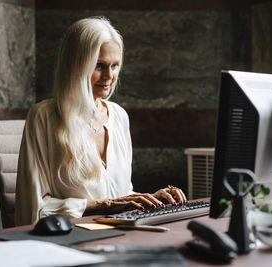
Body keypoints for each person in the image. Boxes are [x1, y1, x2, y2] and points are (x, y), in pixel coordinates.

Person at [15, 16, 186, 226]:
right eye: (99, 66)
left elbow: (119, 195)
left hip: (121, 235)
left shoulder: (119, 116)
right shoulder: (44, 117)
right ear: (76, 66)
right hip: (71, 238)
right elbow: (34, 209)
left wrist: (150, 198)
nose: (109, 75)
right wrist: (104, 205)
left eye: (115, 65)